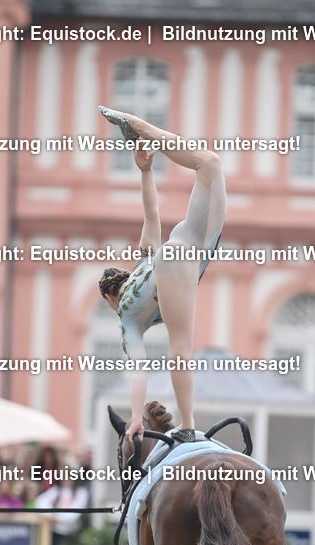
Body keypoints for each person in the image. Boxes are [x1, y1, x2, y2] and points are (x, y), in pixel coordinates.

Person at [97, 106, 226, 443]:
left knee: (180, 349)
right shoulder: (142, 259)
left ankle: (188, 424)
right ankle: (144, 129)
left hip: (175, 262)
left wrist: (136, 416)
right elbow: (151, 214)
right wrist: (146, 171)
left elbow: (138, 369)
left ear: (110, 297)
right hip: (187, 243)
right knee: (210, 164)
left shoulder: (126, 315)